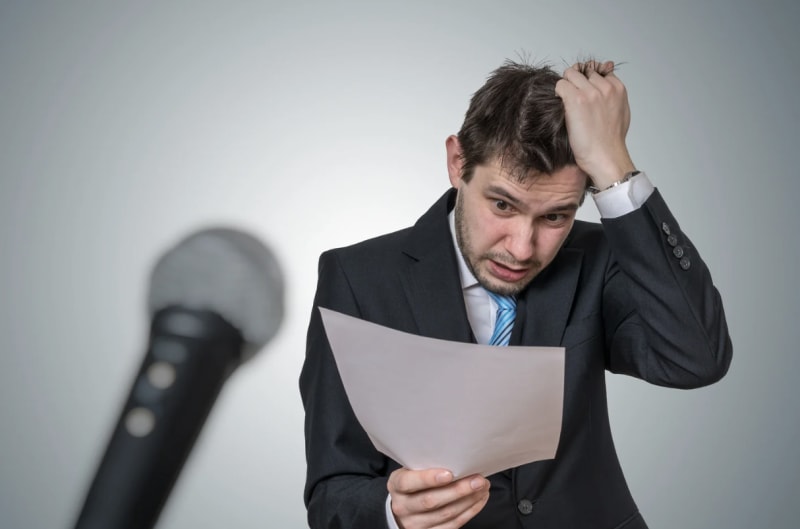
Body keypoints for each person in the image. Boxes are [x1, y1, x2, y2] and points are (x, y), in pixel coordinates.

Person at [299, 59, 732, 529]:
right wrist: (392, 512)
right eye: (503, 205)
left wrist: (613, 165)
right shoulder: (357, 278)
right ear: (457, 162)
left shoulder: (601, 257)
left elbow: (696, 358)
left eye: (555, 217)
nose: (522, 249)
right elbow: (331, 495)